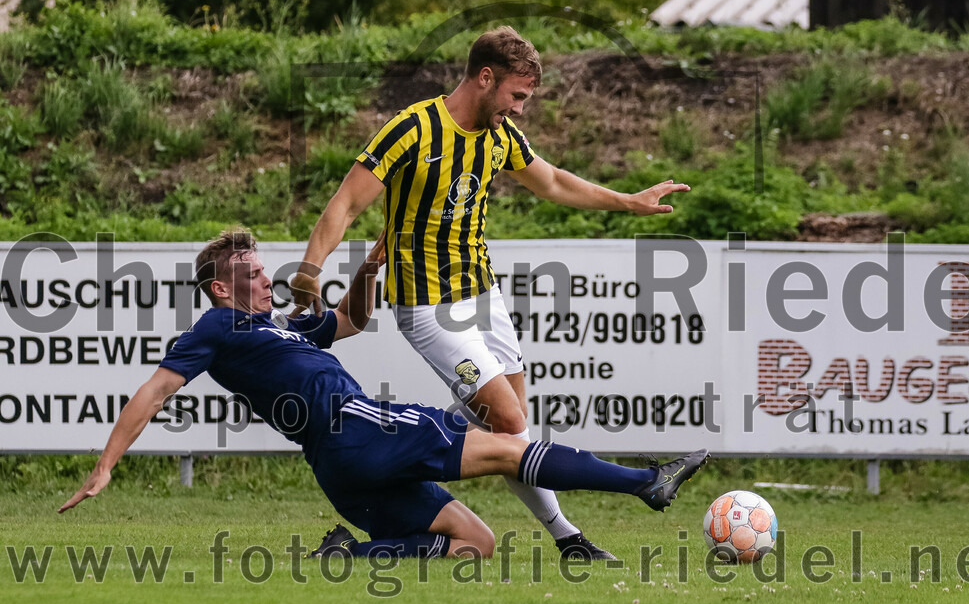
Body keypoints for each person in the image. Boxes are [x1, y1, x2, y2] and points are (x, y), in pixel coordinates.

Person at [291, 26, 691, 560]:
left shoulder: (501, 136)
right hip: (428, 305)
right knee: (508, 422)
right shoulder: (412, 129)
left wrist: (628, 201)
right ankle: (578, 529)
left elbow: (553, 182)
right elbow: (346, 203)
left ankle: (409, 456)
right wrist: (310, 268)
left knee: (511, 423)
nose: (520, 109)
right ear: (485, 78)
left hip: (484, 294)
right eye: (516, 95)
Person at [59, 230, 709, 559]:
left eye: (261, 269)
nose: (264, 279)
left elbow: (349, 321)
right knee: (509, 444)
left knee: (475, 543)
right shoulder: (215, 327)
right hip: (362, 429)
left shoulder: (274, 327)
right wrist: (106, 465)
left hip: (341, 467)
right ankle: (646, 482)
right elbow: (154, 391)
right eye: (251, 274)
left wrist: (373, 263)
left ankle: (351, 552)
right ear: (221, 289)